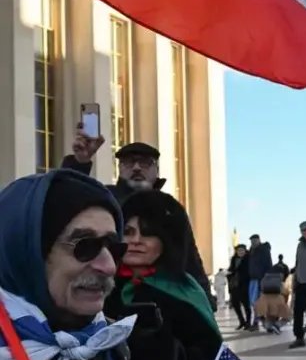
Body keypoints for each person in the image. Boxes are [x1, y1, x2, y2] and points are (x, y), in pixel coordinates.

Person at [0, 169, 185, 360]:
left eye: (113, 247)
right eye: (84, 246)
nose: (108, 266)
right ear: (28, 252)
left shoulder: (105, 342)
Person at [103, 191, 225, 360]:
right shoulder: (100, 288)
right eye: (128, 231)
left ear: (165, 240)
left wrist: (144, 341)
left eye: (147, 233)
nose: (135, 241)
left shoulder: (184, 292)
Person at [63, 127, 213, 304]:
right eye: (128, 162)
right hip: (110, 297)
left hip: (163, 298)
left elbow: (189, 256)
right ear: (119, 168)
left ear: (156, 169)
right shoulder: (105, 198)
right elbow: (66, 199)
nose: (136, 167)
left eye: (144, 162)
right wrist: (80, 162)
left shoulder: (170, 208)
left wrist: (205, 299)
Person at [227, 244, 252, 329]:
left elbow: (249, 271)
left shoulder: (248, 259)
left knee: (246, 305)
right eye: (238, 250)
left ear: (245, 251)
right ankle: (242, 321)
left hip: (244, 284)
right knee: (235, 304)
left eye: (242, 250)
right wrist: (229, 273)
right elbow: (231, 269)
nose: (240, 252)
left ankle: (248, 322)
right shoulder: (233, 259)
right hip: (234, 285)